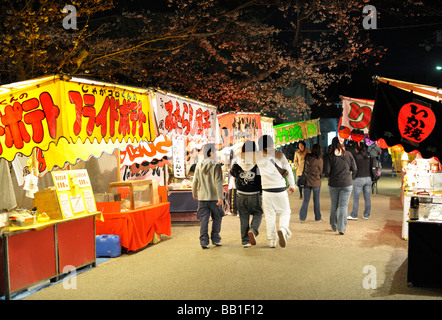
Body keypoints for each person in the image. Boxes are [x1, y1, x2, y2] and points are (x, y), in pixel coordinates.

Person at [256, 135, 296, 248]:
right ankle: (283, 229)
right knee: (285, 212)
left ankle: (272, 241)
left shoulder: (258, 156)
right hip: (280, 189)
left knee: (269, 215)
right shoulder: (279, 155)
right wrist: (292, 185)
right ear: (271, 144)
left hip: (266, 191)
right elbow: (288, 170)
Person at [230, 140, 263, 248]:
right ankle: (253, 230)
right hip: (254, 193)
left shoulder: (237, 160)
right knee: (258, 213)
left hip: (241, 194)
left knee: (243, 217)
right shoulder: (258, 161)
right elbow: (261, 178)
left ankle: (245, 241)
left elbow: (233, 174)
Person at [191, 143, 224, 249]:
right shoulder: (216, 165)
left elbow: (195, 180)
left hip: (202, 197)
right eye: (215, 151)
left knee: (204, 219)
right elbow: (218, 181)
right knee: (217, 218)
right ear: (211, 152)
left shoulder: (199, 165)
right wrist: (220, 197)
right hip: (214, 197)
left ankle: (204, 242)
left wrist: (194, 193)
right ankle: (215, 239)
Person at [323, 137, 357, 235]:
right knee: (343, 206)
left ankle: (334, 225)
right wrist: (351, 178)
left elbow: (327, 171)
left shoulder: (329, 156)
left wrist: (327, 176)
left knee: (334, 205)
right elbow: (354, 169)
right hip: (347, 183)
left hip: (333, 183)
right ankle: (341, 228)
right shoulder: (348, 154)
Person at [299, 144, 323, 222]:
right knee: (316, 200)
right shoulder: (319, 160)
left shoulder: (307, 157)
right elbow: (321, 171)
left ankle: (302, 217)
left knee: (306, 200)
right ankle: (317, 217)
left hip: (307, 182)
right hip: (316, 182)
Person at [348, 143, 372, 220]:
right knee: (367, 197)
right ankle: (366, 215)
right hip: (368, 178)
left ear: (357, 149)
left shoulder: (356, 157)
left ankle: (354, 215)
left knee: (356, 198)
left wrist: (353, 176)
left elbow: (353, 168)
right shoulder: (368, 156)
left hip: (359, 178)